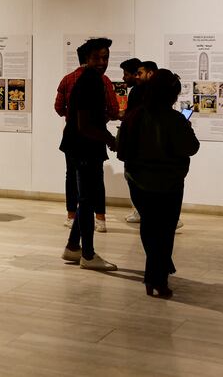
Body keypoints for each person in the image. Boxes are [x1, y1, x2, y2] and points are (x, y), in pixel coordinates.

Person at [117, 69, 199, 298]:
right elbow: (191, 148)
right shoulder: (175, 119)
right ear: (172, 96)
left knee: (150, 226)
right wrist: (186, 128)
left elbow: (122, 152)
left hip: (138, 182)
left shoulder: (134, 116)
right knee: (165, 230)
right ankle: (158, 277)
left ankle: (155, 273)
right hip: (170, 183)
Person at [59, 38, 118, 271]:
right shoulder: (91, 81)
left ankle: (73, 247)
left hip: (81, 144)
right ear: (86, 59)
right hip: (84, 146)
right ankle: (88, 254)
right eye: (98, 57)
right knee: (86, 199)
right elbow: (85, 124)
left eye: (106, 57)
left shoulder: (88, 79)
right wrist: (111, 139)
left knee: (87, 199)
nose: (103, 62)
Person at [120, 57, 143, 225]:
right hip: (141, 142)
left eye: (125, 74)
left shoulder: (136, 92)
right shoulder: (144, 91)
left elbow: (132, 116)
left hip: (136, 144)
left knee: (133, 177)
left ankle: (140, 211)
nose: (123, 77)